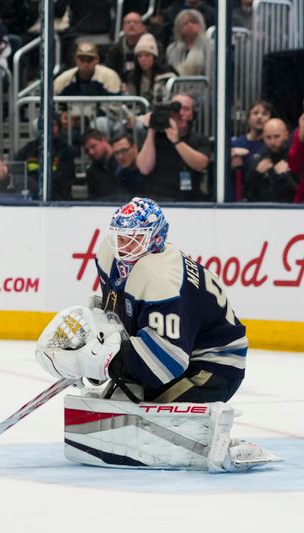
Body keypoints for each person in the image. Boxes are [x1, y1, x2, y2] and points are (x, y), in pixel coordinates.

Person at [36, 197, 248, 404]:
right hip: (184, 350)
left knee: (144, 402)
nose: (123, 246)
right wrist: (93, 344)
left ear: (156, 237)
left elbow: (166, 362)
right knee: (123, 395)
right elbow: (119, 318)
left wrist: (97, 362)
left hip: (214, 368)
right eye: (120, 237)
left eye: (134, 239)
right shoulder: (112, 257)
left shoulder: (161, 278)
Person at [136, 92, 211, 201]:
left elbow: (201, 164)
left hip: (189, 203)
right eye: (176, 108)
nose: (180, 113)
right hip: (157, 200)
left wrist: (176, 141)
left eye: (186, 109)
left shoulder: (199, 139)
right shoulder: (153, 138)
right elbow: (144, 168)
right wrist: (152, 128)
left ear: (193, 114)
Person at [14, 114, 76, 200]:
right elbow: (17, 170)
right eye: (45, 124)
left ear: (59, 128)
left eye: (53, 124)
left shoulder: (66, 150)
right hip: (31, 196)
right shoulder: (29, 149)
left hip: (58, 200)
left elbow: (63, 180)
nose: (49, 128)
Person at [243, 118, 297, 202]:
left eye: (277, 136)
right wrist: (256, 174)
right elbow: (247, 194)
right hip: (263, 211)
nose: (272, 142)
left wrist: (285, 176)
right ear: (263, 137)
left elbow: (301, 194)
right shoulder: (258, 161)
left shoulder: (296, 158)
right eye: (268, 137)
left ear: (286, 135)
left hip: (292, 211)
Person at [121, 33, 175, 105]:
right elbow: (130, 102)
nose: (143, 59)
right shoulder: (132, 76)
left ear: (154, 57)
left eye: (147, 55)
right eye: (140, 56)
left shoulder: (166, 75)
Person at [165, 9, 212, 77]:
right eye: (185, 23)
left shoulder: (210, 46)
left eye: (193, 22)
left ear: (200, 25)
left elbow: (211, 72)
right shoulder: (172, 49)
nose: (189, 25)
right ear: (179, 28)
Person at [105, 11, 151, 78]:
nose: (131, 25)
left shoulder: (152, 47)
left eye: (135, 22)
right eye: (128, 22)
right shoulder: (115, 50)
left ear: (143, 27)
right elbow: (110, 73)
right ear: (123, 28)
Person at [111, 134, 147, 198]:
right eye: (116, 153)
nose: (120, 157)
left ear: (134, 148)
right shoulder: (121, 176)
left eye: (124, 151)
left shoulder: (149, 168)